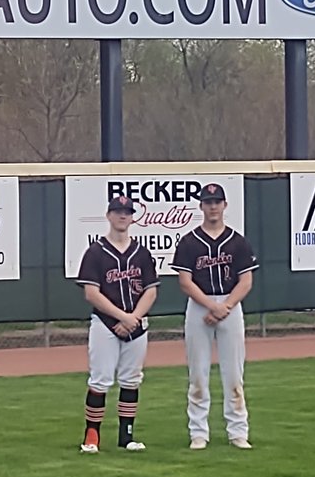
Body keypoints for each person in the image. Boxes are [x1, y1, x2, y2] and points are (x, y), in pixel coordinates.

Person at [172, 183, 259, 450]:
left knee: (234, 374)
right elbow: (185, 282)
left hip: (230, 306)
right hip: (200, 305)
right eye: (208, 202)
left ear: (224, 205)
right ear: (201, 206)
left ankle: (238, 432)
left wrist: (225, 306)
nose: (213, 206)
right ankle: (198, 432)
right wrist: (211, 305)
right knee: (197, 373)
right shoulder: (189, 242)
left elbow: (246, 281)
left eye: (217, 202)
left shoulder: (237, 241)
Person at [75, 195, 159, 453]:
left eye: (127, 212)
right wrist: (122, 317)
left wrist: (133, 318)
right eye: (118, 212)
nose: (123, 216)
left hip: (136, 323)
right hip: (105, 323)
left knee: (131, 379)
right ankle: (92, 435)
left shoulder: (141, 253)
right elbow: (91, 293)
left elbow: (151, 290)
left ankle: (127, 436)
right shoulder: (95, 252)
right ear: (108, 216)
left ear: (133, 217)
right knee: (100, 380)